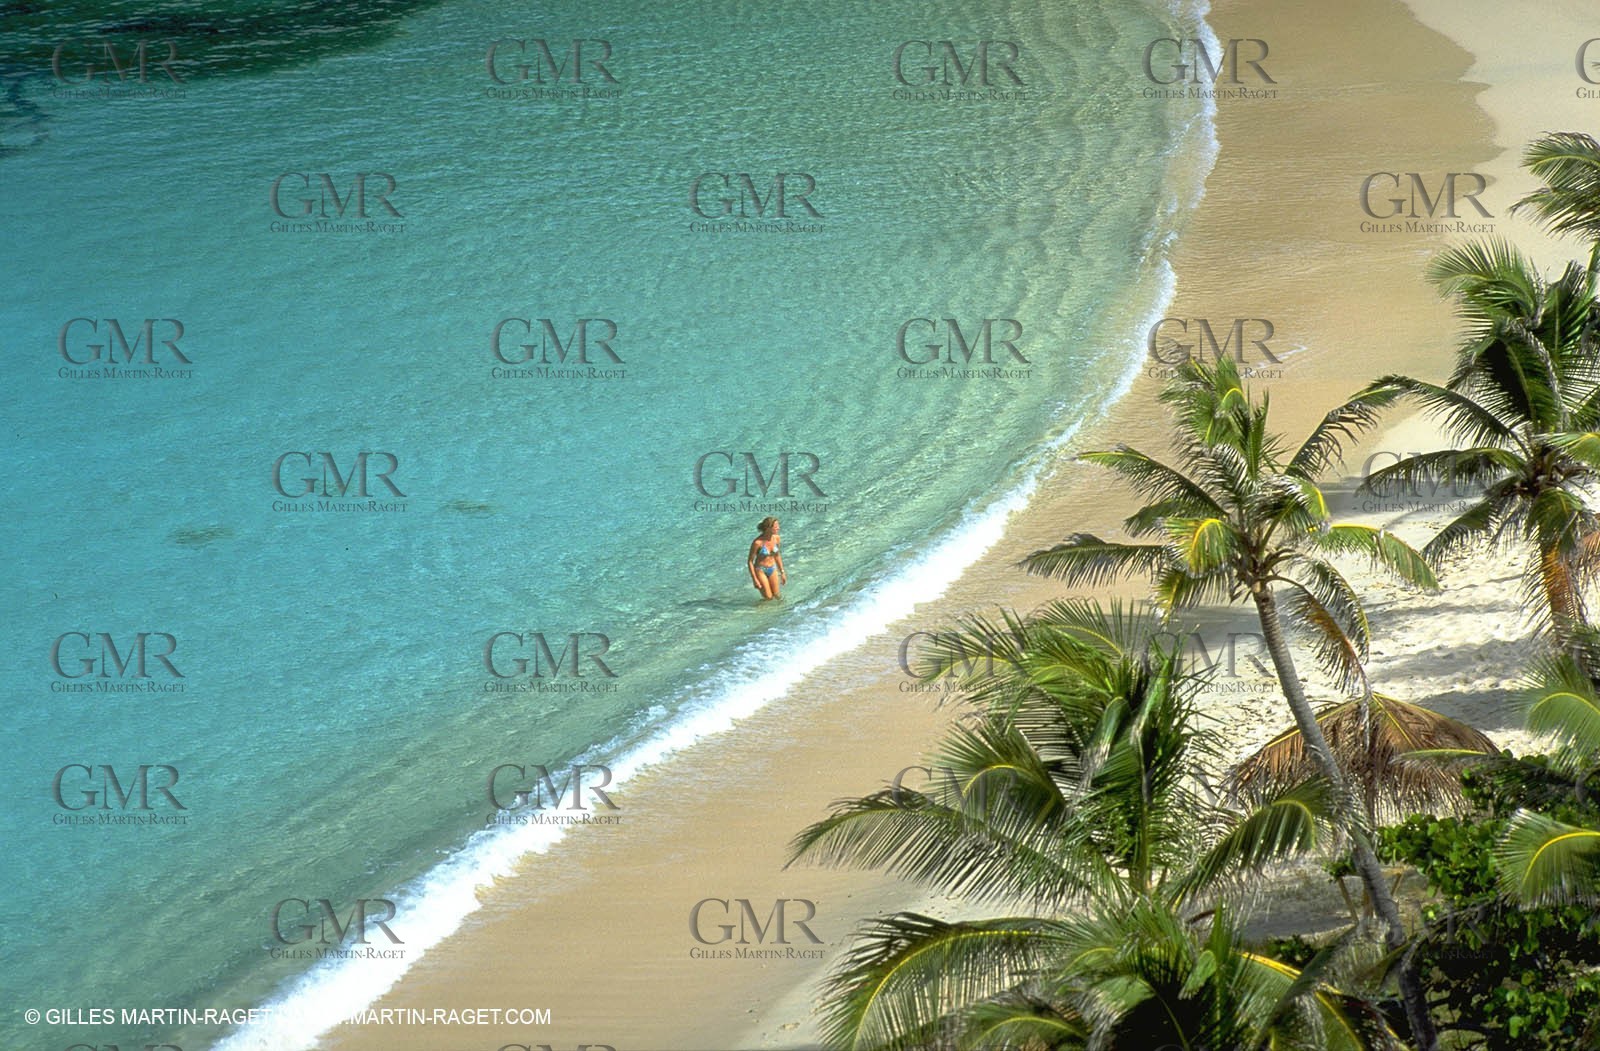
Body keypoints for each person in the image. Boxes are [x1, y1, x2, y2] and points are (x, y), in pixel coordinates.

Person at [747, 516, 786, 601]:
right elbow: (750, 561)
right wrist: (754, 579)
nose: (778, 528)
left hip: (772, 568)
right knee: (768, 597)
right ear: (768, 528)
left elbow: (777, 555)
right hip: (760, 570)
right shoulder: (757, 542)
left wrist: (782, 572)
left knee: (777, 595)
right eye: (776, 526)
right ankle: (760, 611)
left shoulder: (776, 538)